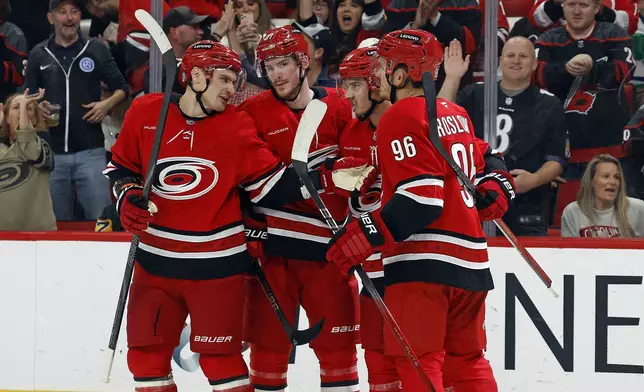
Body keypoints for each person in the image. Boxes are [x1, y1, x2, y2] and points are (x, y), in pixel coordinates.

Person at [103, 41, 363, 392]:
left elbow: (270, 187)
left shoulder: (237, 127)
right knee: (145, 360)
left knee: (221, 359)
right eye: (225, 80)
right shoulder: (147, 113)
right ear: (196, 76)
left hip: (217, 268)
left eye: (234, 81)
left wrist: (326, 177)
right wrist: (127, 199)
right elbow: (121, 168)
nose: (232, 90)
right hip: (154, 266)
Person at [326, 29, 516, 392]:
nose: (375, 75)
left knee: (418, 361)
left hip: (424, 264)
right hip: (472, 262)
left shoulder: (400, 117)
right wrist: (498, 187)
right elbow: (491, 158)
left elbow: (422, 200)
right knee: (467, 363)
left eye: (380, 67)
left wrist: (365, 234)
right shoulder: (454, 112)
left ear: (399, 74)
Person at [238, 25, 375, 392]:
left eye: (283, 63)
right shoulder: (252, 112)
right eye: (268, 66)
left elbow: (363, 166)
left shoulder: (340, 106)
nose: (276, 74)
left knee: (339, 355)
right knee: (267, 355)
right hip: (273, 256)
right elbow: (251, 186)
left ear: (302, 63)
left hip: (332, 255)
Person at [440, 36, 570, 236]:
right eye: (510, 55)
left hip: (526, 206)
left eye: (523, 56)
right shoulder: (476, 93)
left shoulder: (550, 105)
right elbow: (438, 120)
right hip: (474, 197)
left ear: (535, 63)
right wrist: (452, 78)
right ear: (500, 60)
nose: (516, 60)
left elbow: (557, 159)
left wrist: (534, 180)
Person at [25, 0, 129, 221]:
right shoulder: (38, 53)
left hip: (91, 153)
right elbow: (27, 97)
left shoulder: (96, 49)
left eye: (74, 12)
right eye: (62, 12)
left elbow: (123, 88)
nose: (69, 18)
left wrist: (106, 105)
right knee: (54, 225)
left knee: (102, 221)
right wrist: (36, 106)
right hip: (51, 155)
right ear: (50, 18)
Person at [337, 44, 400, 391]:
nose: (347, 95)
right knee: (376, 361)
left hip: (409, 271)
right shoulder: (350, 132)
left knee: (416, 362)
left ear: (377, 83)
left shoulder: (411, 121)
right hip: (371, 273)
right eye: (344, 85)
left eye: (354, 85)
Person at [0, 89, 56, 231]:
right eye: (16, 108)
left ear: (35, 119)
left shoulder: (42, 143)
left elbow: (27, 141)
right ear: (6, 118)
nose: (22, 111)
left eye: (28, 108)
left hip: (36, 236)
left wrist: (22, 108)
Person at [561, 154, 644, 237]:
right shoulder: (572, 212)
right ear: (591, 181)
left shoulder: (638, 209)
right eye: (605, 176)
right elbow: (568, 249)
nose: (613, 182)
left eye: (617, 177)